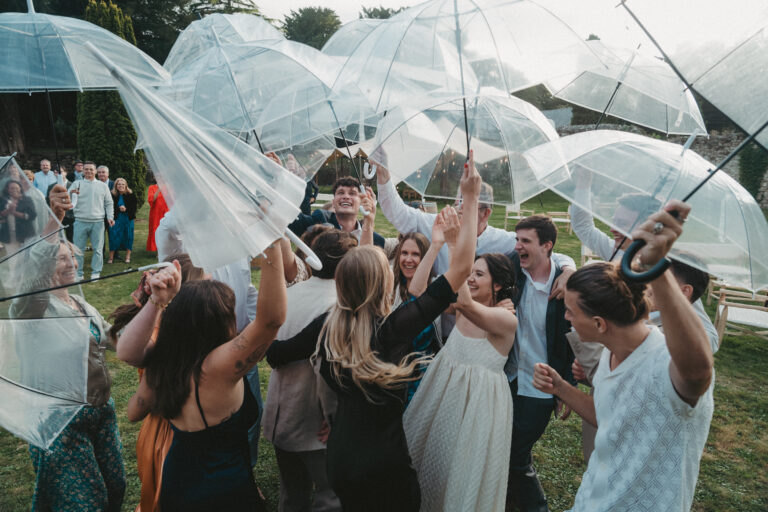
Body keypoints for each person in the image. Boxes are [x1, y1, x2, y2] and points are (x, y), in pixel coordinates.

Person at [265, 154, 483, 511]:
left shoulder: (327, 325)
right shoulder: (394, 328)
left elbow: (275, 354)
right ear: (384, 283)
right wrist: (470, 199)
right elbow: (460, 270)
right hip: (386, 464)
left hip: (340, 458)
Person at [533, 200, 714, 511]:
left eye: (571, 312)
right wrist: (561, 387)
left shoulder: (664, 361)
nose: (567, 319)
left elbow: (698, 372)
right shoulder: (610, 355)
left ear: (599, 324)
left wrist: (658, 268)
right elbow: (608, 416)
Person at [116, 237, 287, 511]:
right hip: (223, 491)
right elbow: (270, 320)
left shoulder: (166, 357)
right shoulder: (218, 369)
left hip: (177, 481)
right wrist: (272, 241)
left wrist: (158, 302)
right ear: (221, 320)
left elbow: (131, 393)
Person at [12, 184, 126, 511]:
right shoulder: (30, 309)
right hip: (59, 422)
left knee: (115, 487)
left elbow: (114, 341)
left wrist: (148, 303)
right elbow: (33, 275)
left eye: (69, 256)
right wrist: (54, 221)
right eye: (57, 259)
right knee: (84, 503)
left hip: (100, 411)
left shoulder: (80, 304)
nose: (68, 263)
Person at [403, 204, 518, 511]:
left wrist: (456, 247)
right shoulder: (461, 303)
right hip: (443, 389)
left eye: (477, 274)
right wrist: (437, 244)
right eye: (470, 273)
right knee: (430, 457)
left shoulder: (505, 319)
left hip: (478, 403)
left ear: (496, 284)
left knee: (460, 469)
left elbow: (467, 306)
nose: (469, 278)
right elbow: (417, 289)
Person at [264, 229, 358, 512]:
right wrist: (336, 416)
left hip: (281, 413)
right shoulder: (341, 308)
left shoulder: (288, 294)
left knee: (292, 495)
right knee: (328, 497)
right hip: (317, 422)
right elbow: (338, 373)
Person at [109, 254, 207, 512]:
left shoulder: (193, 326)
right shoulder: (161, 333)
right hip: (165, 433)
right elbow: (136, 408)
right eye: (205, 284)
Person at [569, 188, 718, 350]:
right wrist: (584, 181)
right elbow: (583, 227)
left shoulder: (668, 270)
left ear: (649, 227)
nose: (612, 228)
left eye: (622, 224)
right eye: (614, 221)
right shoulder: (618, 252)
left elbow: (710, 339)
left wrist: (647, 339)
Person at [505, 215, 576, 512]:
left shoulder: (564, 287)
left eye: (525, 241)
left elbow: (572, 340)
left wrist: (568, 388)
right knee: (501, 449)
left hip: (541, 387)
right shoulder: (513, 272)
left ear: (546, 246)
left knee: (517, 454)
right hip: (507, 378)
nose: (518, 247)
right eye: (517, 240)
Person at [288, 177, 386, 248]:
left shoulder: (377, 241)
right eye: (340, 193)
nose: (346, 196)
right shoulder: (319, 222)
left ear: (361, 201)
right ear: (333, 202)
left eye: (352, 193)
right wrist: (280, 175)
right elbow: (289, 217)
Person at [68, 162, 114, 280]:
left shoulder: (102, 186)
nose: (88, 171)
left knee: (98, 249)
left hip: (98, 221)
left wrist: (110, 217)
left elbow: (109, 203)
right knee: (78, 249)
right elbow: (67, 199)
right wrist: (70, 193)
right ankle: (79, 273)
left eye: (91, 170)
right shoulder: (76, 184)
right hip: (80, 220)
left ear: (95, 172)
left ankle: (96, 272)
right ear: (83, 171)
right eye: (86, 169)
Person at [107, 178, 137, 264]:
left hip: (127, 219)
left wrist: (126, 209)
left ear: (126, 186)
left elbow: (134, 208)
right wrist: (118, 208)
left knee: (128, 237)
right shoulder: (112, 195)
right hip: (116, 219)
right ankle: (111, 257)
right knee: (113, 236)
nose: (121, 186)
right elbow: (109, 207)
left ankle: (127, 257)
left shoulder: (131, 195)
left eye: (123, 184)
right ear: (116, 186)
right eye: (119, 184)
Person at [0, 179, 37, 247]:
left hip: (25, 234)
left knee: (28, 255)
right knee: (13, 257)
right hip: (8, 236)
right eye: (12, 188)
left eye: (17, 188)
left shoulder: (27, 199)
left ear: (20, 188)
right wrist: (8, 210)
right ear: (7, 189)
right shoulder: (2, 200)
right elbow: (1, 217)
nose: (14, 190)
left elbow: (33, 215)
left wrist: (15, 213)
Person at [146, 179, 168, 253]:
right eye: (158, 176)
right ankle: (157, 250)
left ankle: (166, 249)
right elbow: (152, 199)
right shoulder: (152, 187)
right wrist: (159, 188)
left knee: (166, 230)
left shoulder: (169, 187)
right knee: (156, 230)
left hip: (166, 212)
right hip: (156, 213)